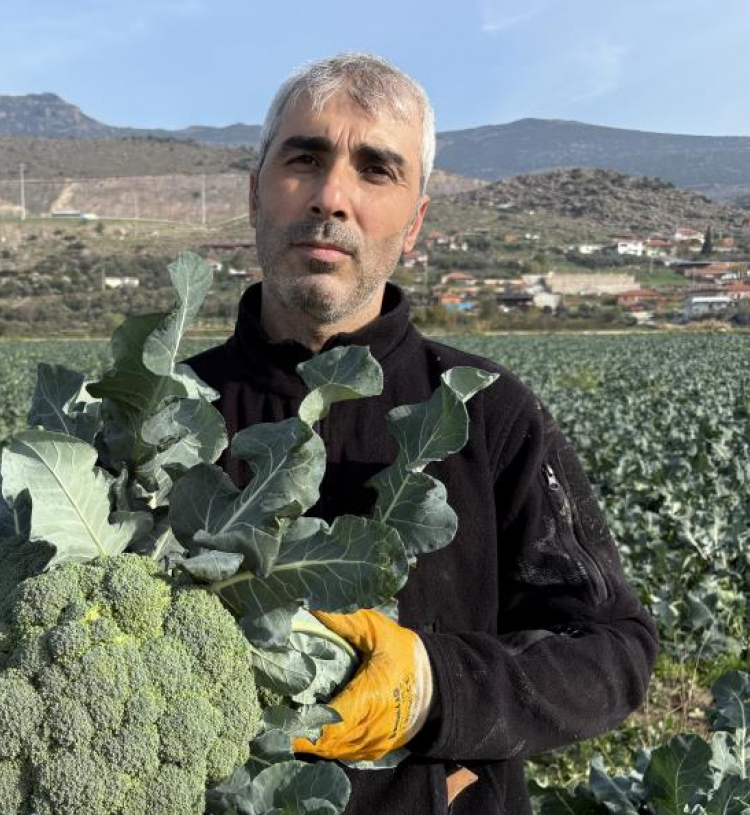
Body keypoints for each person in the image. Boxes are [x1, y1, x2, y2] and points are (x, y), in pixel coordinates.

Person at [185, 53, 657, 814]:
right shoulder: (160, 417)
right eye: (304, 160)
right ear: (254, 193)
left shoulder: (488, 413)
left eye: (376, 170)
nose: (332, 197)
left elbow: (613, 650)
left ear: (415, 223)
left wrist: (436, 685)